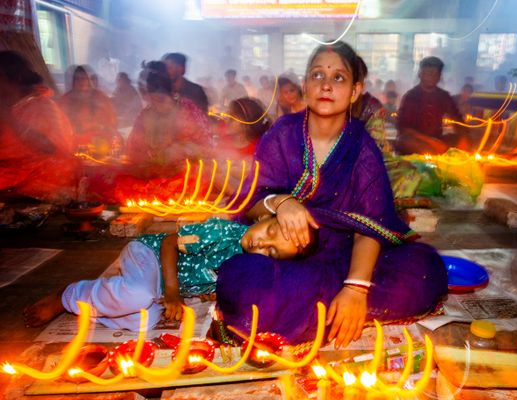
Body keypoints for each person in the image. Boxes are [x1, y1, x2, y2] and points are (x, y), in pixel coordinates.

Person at [216, 42, 448, 347]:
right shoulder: (282, 135)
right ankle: (320, 309)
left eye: (338, 77)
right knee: (245, 280)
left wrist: (355, 288)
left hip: (344, 257)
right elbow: (251, 205)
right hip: (283, 256)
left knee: (425, 269)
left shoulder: (362, 148)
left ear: (354, 91)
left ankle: (328, 307)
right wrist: (281, 203)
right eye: (317, 75)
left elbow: (370, 226)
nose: (326, 85)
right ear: (305, 86)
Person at [23, 216, 317, 330]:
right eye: (270, 231)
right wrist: (174, 293)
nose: (262, 243)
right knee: (140, 294)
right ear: (265, 217)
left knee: (144, 321)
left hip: (159, 286)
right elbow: (168, 242)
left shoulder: (249, 263)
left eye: (272, 252)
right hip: (148, 254)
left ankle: (105, 296)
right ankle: (67, 295)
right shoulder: (222, 231)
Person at [0, 51, 77, 204]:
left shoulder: (43, 106)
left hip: (39, 172)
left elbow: (52, 148)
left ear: (16, 79)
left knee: (63, 166)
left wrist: (10, 118)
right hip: (7, 172)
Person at [126, 61, 210, 171]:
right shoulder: (145, 115)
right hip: (151, 177)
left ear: (172, 94)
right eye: (152, 101)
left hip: (187, 176)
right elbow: (132, 149)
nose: (157, 106)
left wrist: (183, 149)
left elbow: (207, 147)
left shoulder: (188, 111)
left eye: (161, 100)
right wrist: (147, 157)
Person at [395, 56, 470, 155]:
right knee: (404, 141)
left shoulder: (443, 96)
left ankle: (442, 152)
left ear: (439, 77)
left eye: (435, 74)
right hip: (416, 141)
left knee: (466, 139)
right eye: (428, 73)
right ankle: (437, 153)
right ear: (420, 74)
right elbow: (404, 129)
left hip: (437, 139)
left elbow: (458, 120)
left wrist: (463, 137)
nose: (431, 77)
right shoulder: (411, 96)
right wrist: (431, 141)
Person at [59, 65, 118, 152]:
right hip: (75, 145)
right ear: (73, 81)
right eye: (78, 79)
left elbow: (112, 123)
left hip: (100, 143)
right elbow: (60, 126)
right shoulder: (65, 99)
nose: (81, 82)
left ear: (90, 80)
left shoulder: (100, 97)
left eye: (84, 78)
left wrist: (102, 130)